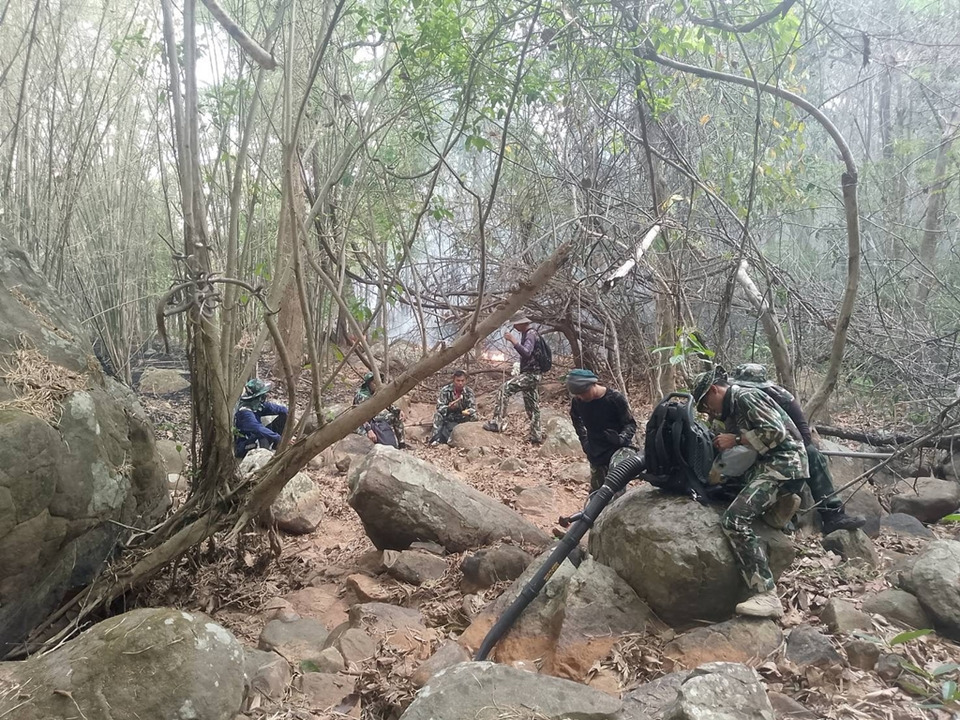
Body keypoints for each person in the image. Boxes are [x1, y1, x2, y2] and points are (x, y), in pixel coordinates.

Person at [692, 366, 808, 618]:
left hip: (783, 465)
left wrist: (735, 440)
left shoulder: (745, 396)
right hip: (765, 464)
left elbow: (775, 431)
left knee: (734, 520)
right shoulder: (732, 407)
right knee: (723, 490)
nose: (708, 411)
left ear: (714, 390)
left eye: (705, 404)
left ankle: (766, 594)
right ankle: (778, 507)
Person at [731, 363, 865, 535]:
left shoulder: (782, 398)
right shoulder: (734, 400)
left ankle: (832, 514)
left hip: (785, 449)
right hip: (750, 450)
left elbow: (803, 436)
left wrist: (773, 443)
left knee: (812, 454)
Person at [567, 369, 638, 491]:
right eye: (577, 395)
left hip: (620, 448)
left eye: (583, 393)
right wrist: (584, 441)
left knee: (615, 483)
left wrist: (621, 439)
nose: (580, 397)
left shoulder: (615, 398)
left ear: (592, 385)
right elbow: (576, 419)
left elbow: (630, 424)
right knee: (596, 492)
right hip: (596, 449)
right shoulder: (578, 401)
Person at [483, 312, 544, 444]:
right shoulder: (530, 334)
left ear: (521, 323)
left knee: (504, 389)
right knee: (532, 406)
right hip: (533, 374)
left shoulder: (530, 334)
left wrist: (513, 340)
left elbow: (526, 353)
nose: (514, 327)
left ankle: (497, 422)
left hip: (531, 375)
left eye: (515, 324)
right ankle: (536, 435)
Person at [234, 379, 288, 458]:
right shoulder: (244, 413)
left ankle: (275, 448)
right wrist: (280, 439)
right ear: (257, 397)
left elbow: (282, 410)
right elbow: (258, 429)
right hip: (245, 444)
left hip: (257, 435)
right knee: (262, 435)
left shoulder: (257, 406)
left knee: (284, 415)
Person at [354, 371, 406, 448]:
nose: (375, 384)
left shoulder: (377, 391)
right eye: (373, 382)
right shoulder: (362, 396)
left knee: (396, 417)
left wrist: (398, 411)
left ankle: (402, 444)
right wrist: (369, 430)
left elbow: (386, 403)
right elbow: (360, 416)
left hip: (375, 418)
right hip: (363, 422)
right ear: (368, 383)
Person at [429, 369, 478, 445]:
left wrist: (467, 412)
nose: (460, 383)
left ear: (466, 381)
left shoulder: (469, 392)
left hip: (462, 415)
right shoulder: (445, 390)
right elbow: (439, 407)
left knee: (474, 416)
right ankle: (435, 438)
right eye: (458, 381)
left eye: (462, 381)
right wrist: (448, 408)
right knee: (437, 415)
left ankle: (471, 438)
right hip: (448, 415)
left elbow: (473, 408)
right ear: (453, 380)